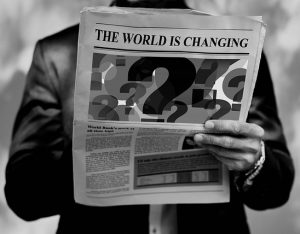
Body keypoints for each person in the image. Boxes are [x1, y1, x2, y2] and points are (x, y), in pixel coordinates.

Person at [4, 0, 294, 233]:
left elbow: (278, 186)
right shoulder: (56, 54)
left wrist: (253, 162)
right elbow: (24, 196)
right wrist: (90, 148)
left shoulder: (238, 47)